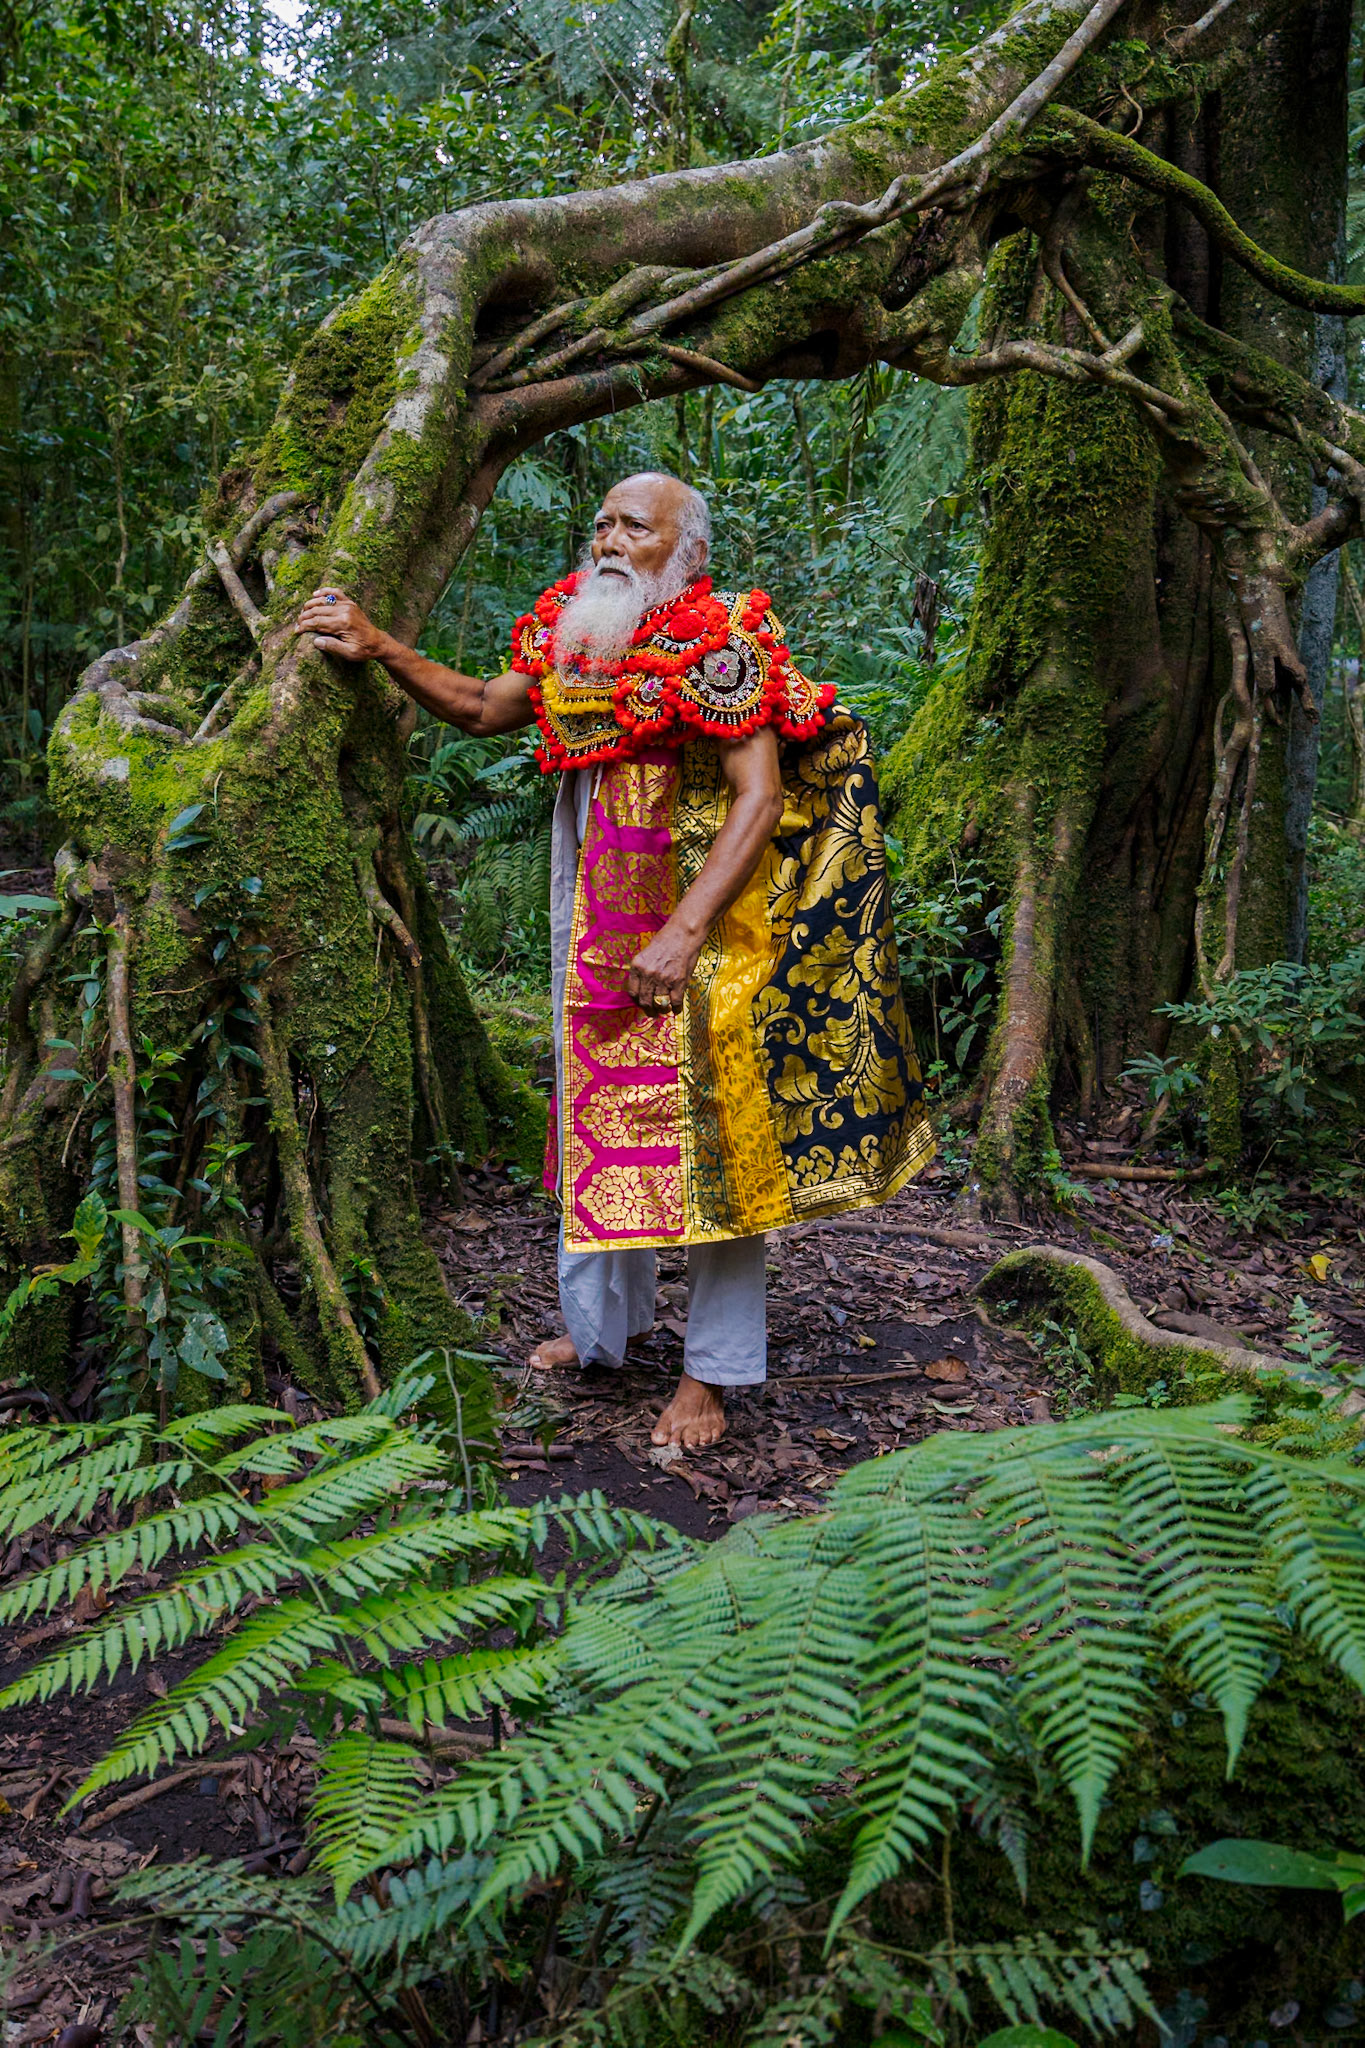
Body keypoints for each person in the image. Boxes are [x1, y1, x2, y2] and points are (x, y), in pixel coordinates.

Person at [295, 472, 935, 1447]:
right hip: (591, 905)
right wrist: (377, 643)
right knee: (602, 1103)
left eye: (634, 525)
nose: (608, 538)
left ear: (689, 554)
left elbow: (758, 796)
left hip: (706, 921)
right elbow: (474, 706)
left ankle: (711, 1374)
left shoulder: (721, 639)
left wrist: (682, 930)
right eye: (601, 521)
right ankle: (605, 1333)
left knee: (711, 1135)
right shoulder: (576, 627)